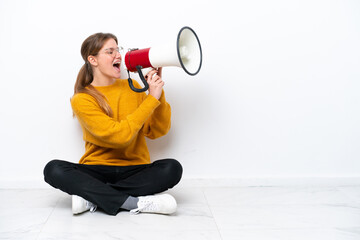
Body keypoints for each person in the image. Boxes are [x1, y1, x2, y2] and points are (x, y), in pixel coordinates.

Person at [43, 32, 182, 216]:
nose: (118, 56)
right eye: (110, 51)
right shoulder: (82, 98)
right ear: (93, 60)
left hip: (135, 169)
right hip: (95, 169)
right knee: (53, 169)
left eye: (118, 50)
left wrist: (157, 94)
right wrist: (150, 100)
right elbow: (118, 137)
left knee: (172, 168)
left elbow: (158, 131)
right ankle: (134, 203)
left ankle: (92, 197)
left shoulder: (133, 87)